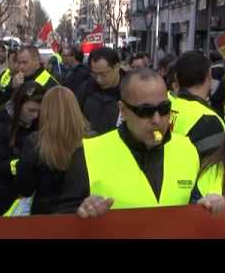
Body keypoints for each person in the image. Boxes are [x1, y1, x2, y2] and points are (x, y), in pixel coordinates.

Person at [55, 69, 200, 217]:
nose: (157, 120)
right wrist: (82, 211)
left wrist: (207, 205)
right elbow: (63, 218)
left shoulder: (187, 149)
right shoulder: (88, 154)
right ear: (123, 110)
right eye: (145, 111)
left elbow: (193, 202)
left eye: (164, 109)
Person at [15, 86, 90, 215]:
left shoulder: (34, 142)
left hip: (44, 215)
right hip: (80, 213)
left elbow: (25, 188)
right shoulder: (92, 140)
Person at [0, 81, 45, 215]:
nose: (35, 115)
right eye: (31, 110)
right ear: (18, 105)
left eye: (39, 111)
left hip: (31, 197)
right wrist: (24, 165)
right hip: (4, 196)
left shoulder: (38, 124)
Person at [170, 51, 225, 161]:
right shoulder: (209, 120)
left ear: (176, 78)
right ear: (209, 75)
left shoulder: (163, 106)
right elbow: (210, 172)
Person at [75, 47, 126, 136]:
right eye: (94, 74)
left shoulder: (131, 90)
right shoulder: (86, 88)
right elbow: (74, 111)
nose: (98, 80)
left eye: (103, 74)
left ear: (117, 67)